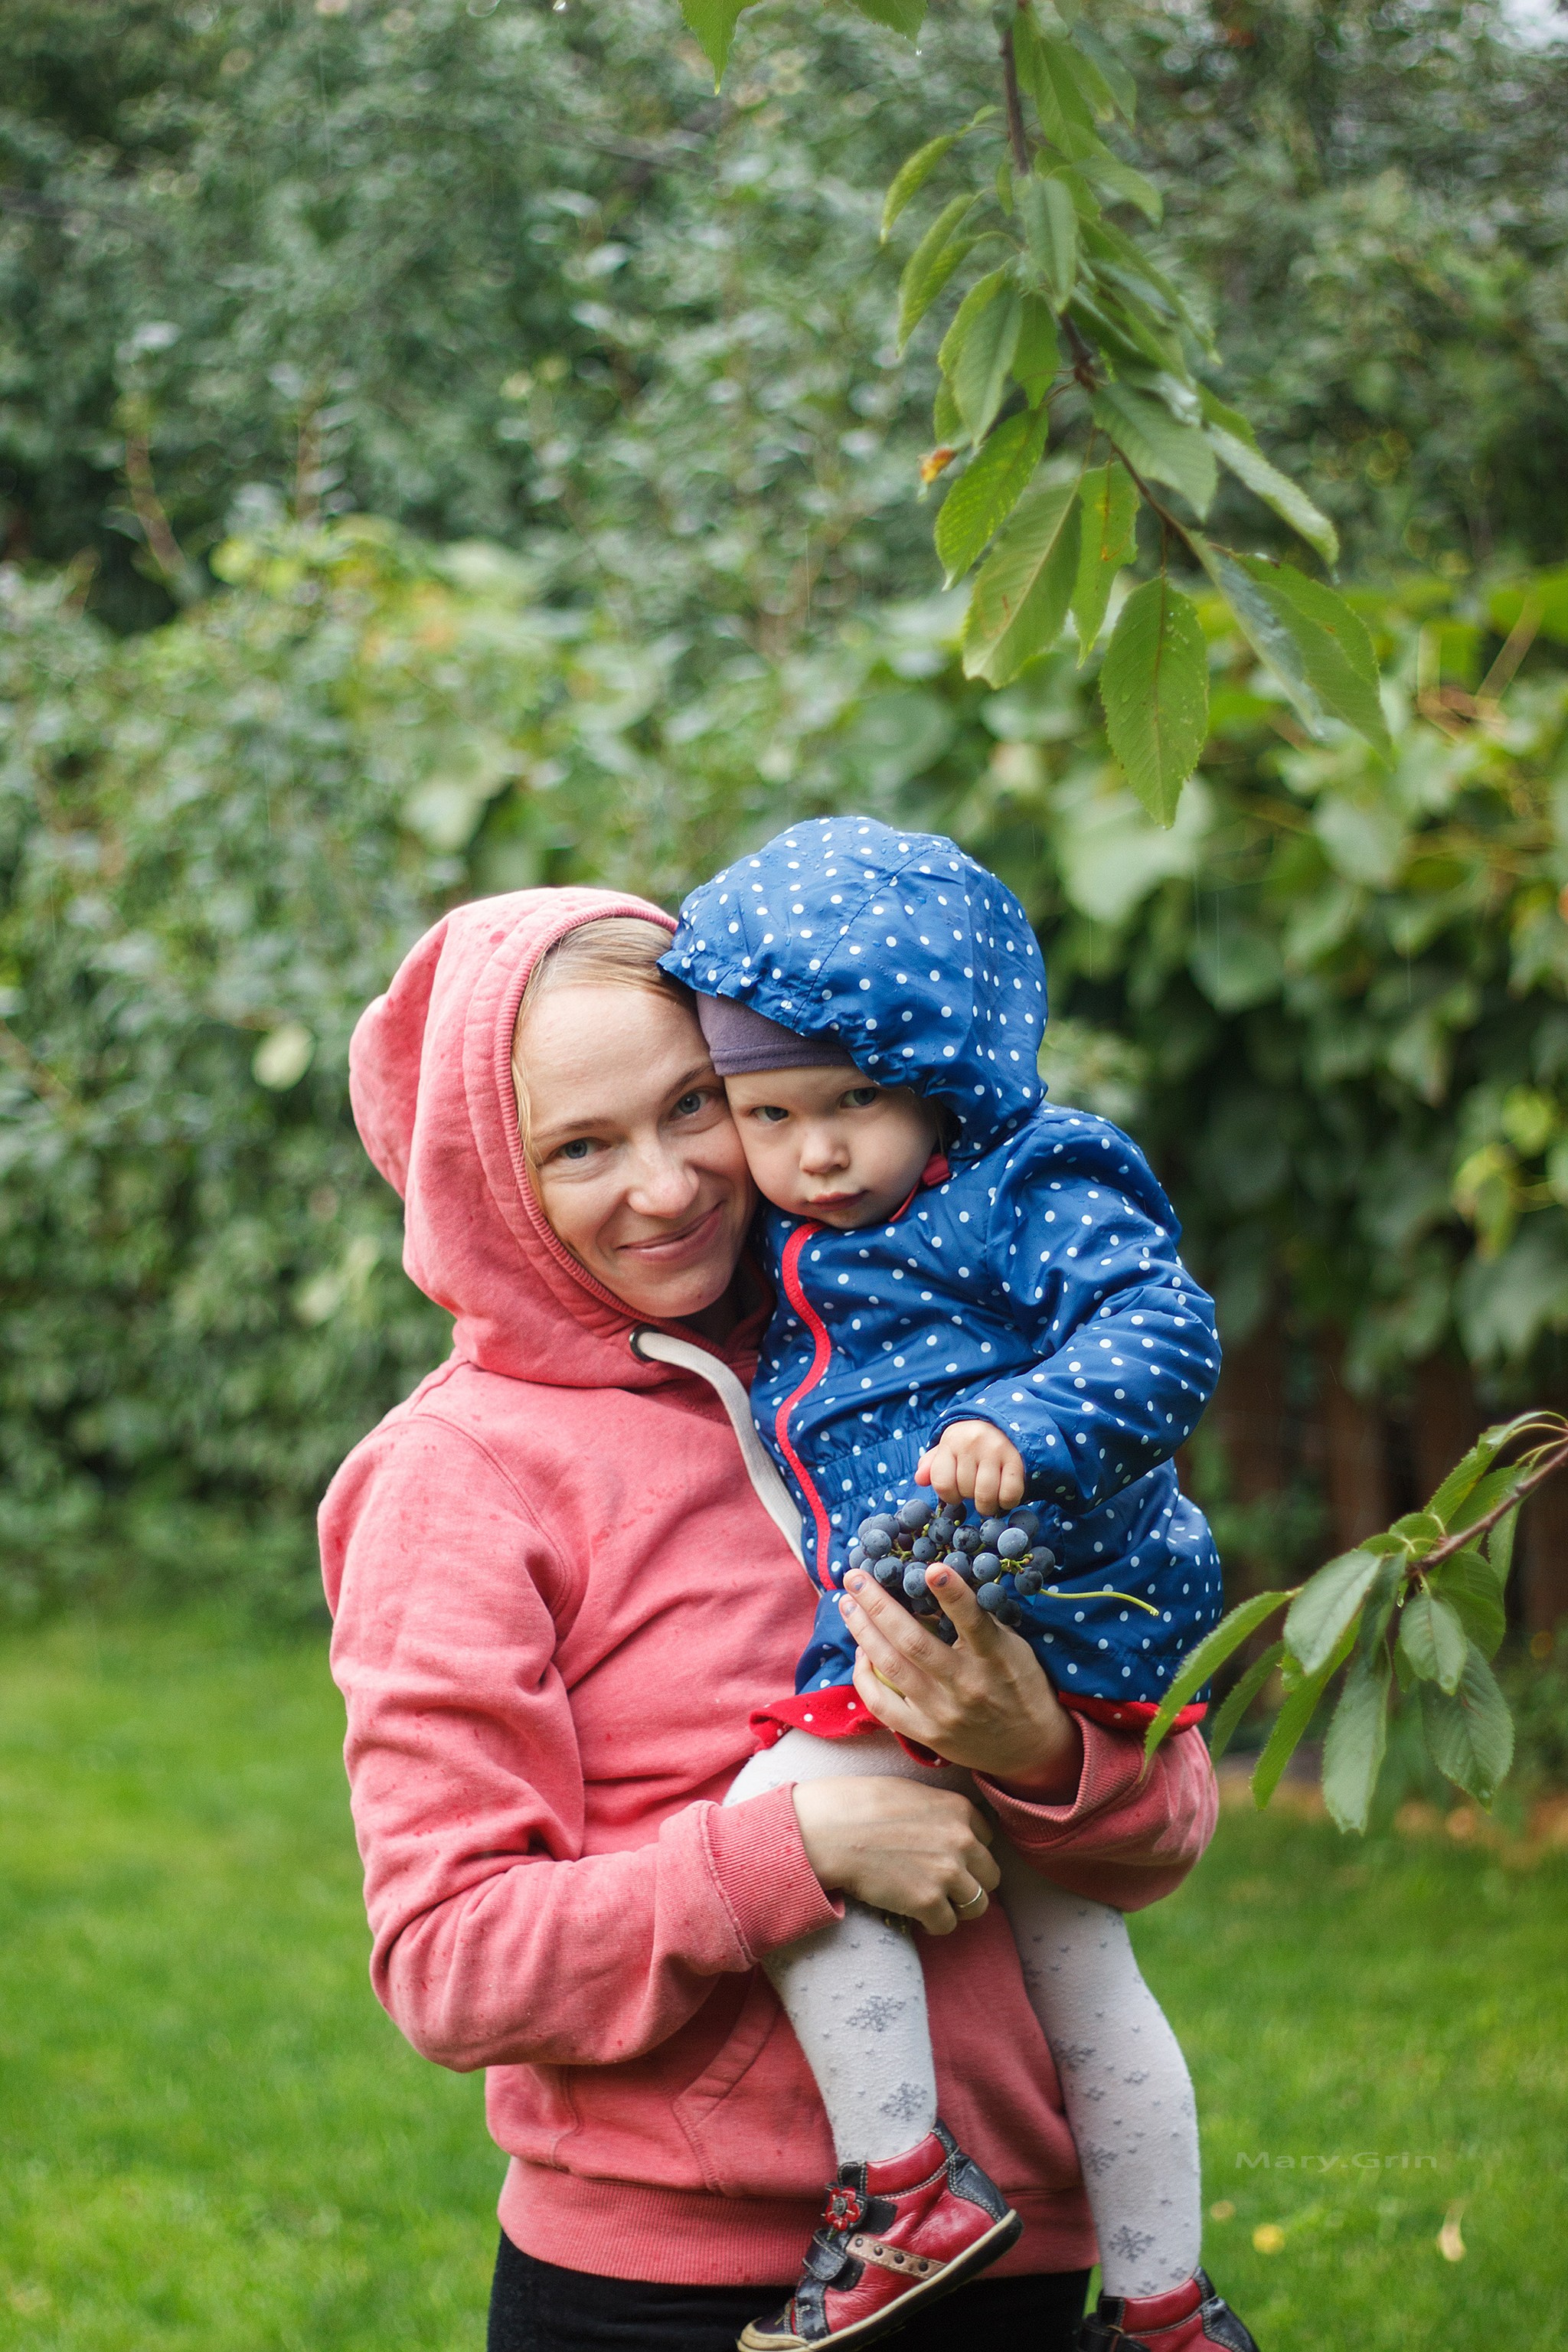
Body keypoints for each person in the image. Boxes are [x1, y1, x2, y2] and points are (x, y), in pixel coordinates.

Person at [320, 884, 1219, 2352]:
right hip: (673, 2287)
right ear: (490, 1176)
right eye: (580, 1147)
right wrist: (786, 1857)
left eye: (694, 1106)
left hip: (1032, 2258)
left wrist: (1039, 1753)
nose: (667, 1185)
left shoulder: (913, 1369)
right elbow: (450, 1962)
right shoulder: (459, 1475)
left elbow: (1164, 1833)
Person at [660, 816, 1256, 2352]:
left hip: (1031, 1582)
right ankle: (1167, 2308)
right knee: (1082, 1968)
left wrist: (1026, 1427)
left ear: (945, 1069)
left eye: (853, 1102)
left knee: (780, 1824)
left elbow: (1162, 1327)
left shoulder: (1026, 1176)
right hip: (957, 1597)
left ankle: (905, 2185)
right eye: (767, 1114)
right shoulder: (805, 1229)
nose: (813, 1155)